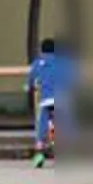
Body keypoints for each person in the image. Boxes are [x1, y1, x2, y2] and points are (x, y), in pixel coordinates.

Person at [25, 37, 73, 167]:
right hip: (63, 99)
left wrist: (28, 87)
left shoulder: (39, 62)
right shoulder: (66, 62)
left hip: (46, 100)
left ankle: (39, 150)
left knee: (42, 123)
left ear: (42, 50)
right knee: (67, 122)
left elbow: (30, 77)